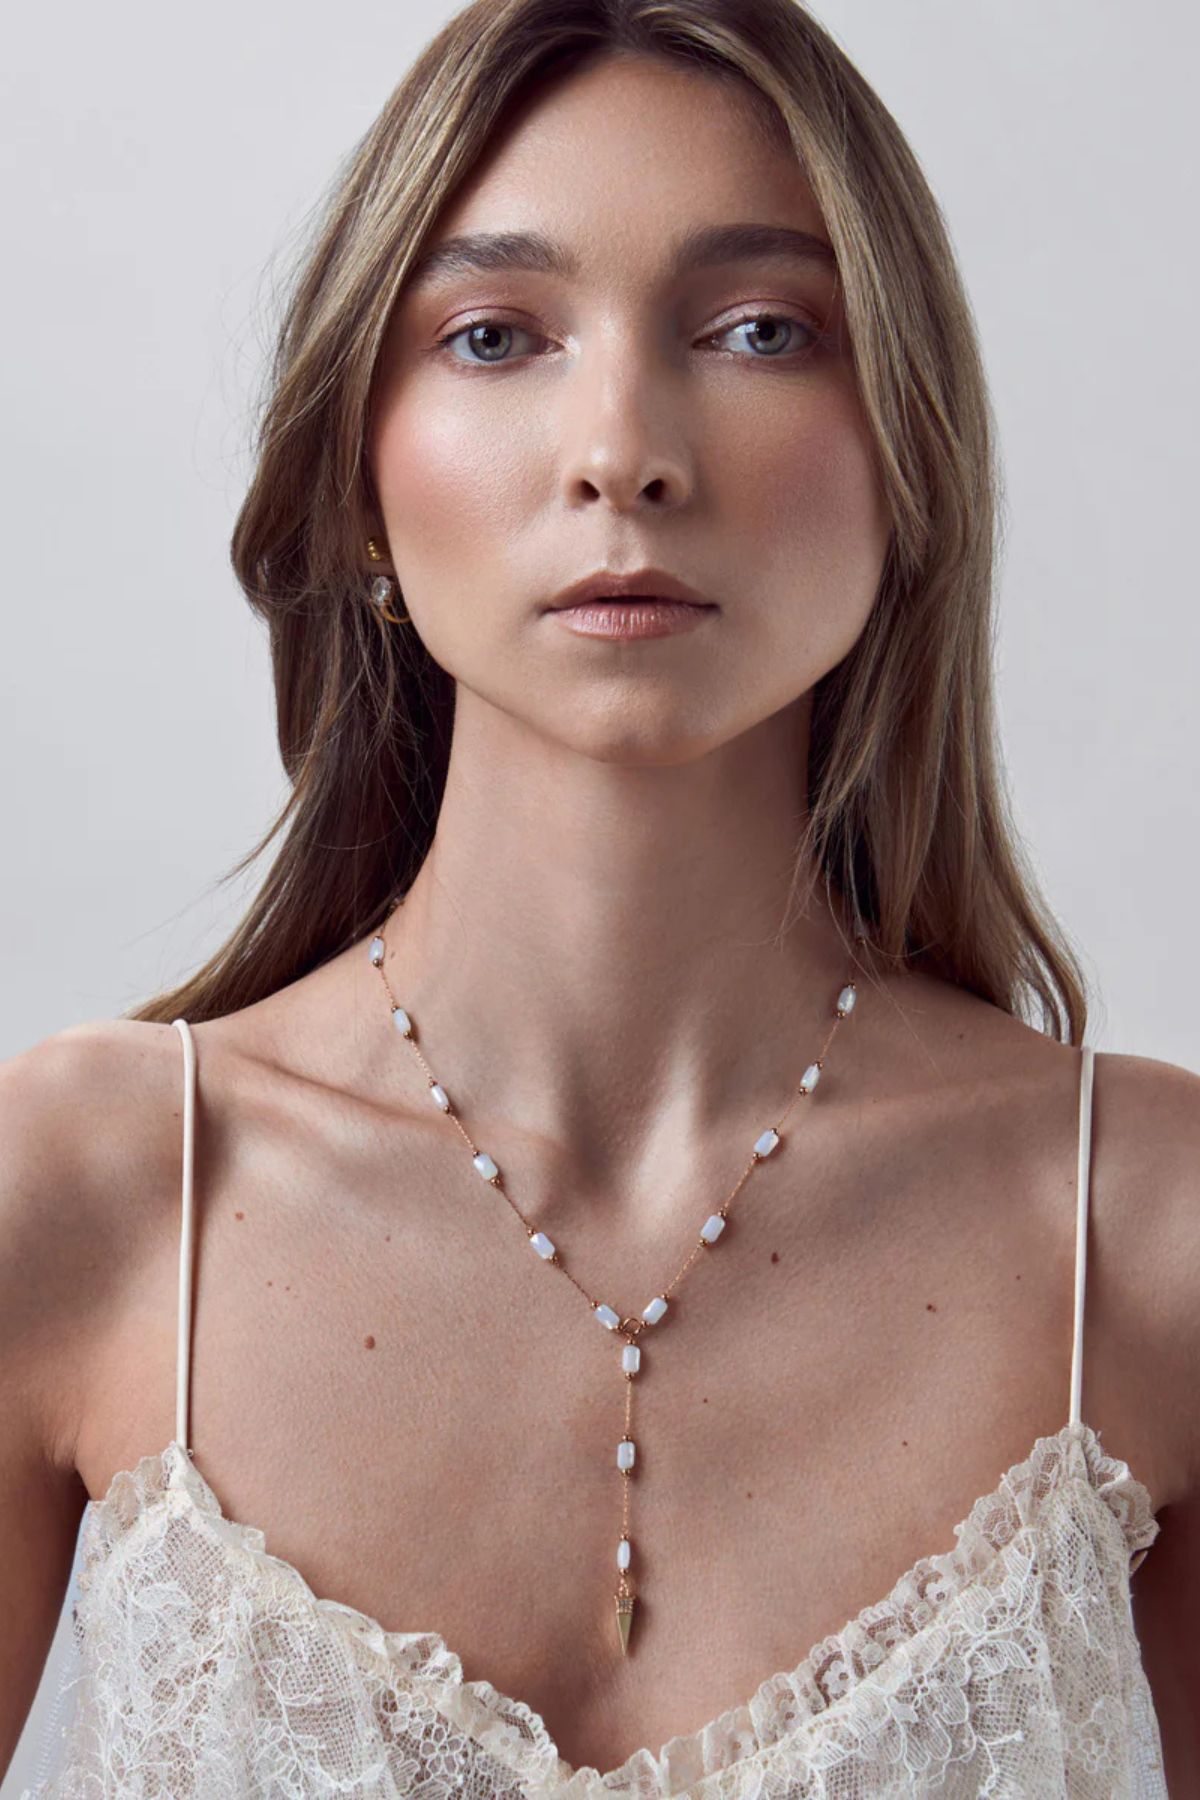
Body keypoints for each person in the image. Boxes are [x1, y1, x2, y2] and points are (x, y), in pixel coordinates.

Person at [2, 0, 1196, 1792]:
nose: (622, 450)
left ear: (907, 447)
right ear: (358, 476)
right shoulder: (84, 1201)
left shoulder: (1150, 1233)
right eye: (495, 335)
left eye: (759, 329)